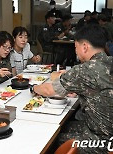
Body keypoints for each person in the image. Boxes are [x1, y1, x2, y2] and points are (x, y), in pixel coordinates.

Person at [32, 24, 113, 153]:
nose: (75, 51)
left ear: (85, 47)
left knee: (51, 138)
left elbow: (48, 90)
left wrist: (34, 88)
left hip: (101, 141)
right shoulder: (109, 61)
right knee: (66, 125)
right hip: (106, 131)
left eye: (76, 47)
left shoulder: (85, 69)